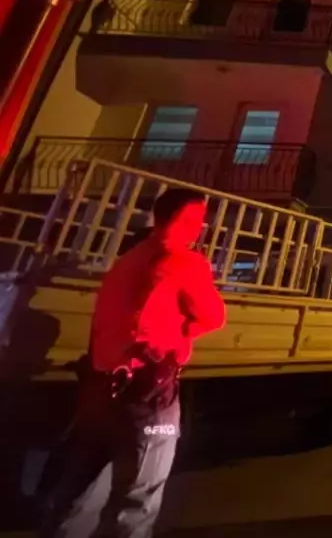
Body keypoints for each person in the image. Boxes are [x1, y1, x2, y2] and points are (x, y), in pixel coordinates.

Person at [41, 188, 226, 538]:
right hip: (147, 395)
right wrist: (183, 328)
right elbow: (214, 316)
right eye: (198, 220)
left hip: (99, 390)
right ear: (185, 220)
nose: (200, 227)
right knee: (136, 500)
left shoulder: (128, 260)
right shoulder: (184, 261)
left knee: (79, 491)